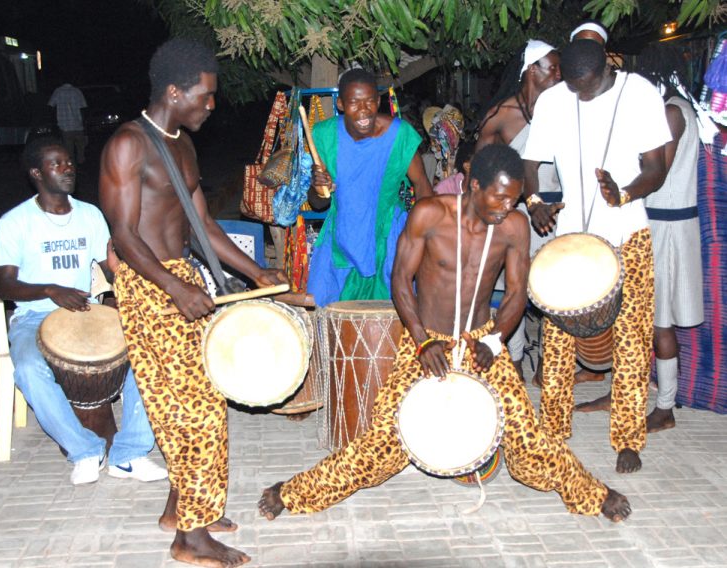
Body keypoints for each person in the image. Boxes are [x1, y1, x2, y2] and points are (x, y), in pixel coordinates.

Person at [258, 144, 631, 524]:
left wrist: (495, 339)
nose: (507, 207)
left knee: (529, 442)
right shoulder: (430, 215)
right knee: (380, 448)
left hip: (482, 339)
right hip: (427, 339)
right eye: (499, 197)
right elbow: (401, 280)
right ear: (472, 185)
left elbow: (517, 292)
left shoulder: (514, 226)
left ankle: (591, 494)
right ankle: (292, 492)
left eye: (514, 198)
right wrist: (421, 341)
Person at [99, 38, 286, 567]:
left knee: (191, 403)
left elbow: (202, 224)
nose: (212, 105)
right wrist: (175, 286)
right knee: (198, 410)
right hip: (148, 284)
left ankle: (182, 506)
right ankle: (191, 539)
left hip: (178, 276)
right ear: (175, 91)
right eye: (205, 96)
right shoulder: (128, 145)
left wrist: (256, 272)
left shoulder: (181, 143)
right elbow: (125, 235)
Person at [523, 40, 671, 473]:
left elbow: (656, 167)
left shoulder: (639, 92)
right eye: (572, 87)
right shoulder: (555, 98)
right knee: (557, 338)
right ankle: (552, 428)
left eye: (585, 88)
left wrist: (624, 192)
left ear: (606, 69)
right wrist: (534, 202)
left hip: (627, 233)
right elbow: (532, 162)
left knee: (632, 337)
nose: (579, 96)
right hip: (570, 238)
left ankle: (627, 438)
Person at [0, 137, 167, 486]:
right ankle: (85, 451)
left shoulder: (90, 215)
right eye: (58, 164)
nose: (68, 168)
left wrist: (138, 295)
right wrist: (50, 290)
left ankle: (129, 454)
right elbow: (5, 285)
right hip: (34, 318)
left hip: (88, 312)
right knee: (26, 368)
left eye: (69, 162)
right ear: (37, 173)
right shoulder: (15, 222)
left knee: (150, 352)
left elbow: (112, 268)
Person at [575, 44, 704, 433]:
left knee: (657, 322)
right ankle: (625, 391)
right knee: (638, 319)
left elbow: (654, 171)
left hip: (668, 226)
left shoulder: (671, 112)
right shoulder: (675, 108)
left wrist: (623, 186)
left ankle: (664, 407)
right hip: (660, 222)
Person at [306, 69, 433, 307]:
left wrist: (424, 236)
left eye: (370, 101)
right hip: (342, 239)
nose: (364, 110)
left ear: (378, 101)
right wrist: (319, 186)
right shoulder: (325, 136)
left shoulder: (399, 134)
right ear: (341, 104)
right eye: (355, 102)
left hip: (388, 240)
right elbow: (318, 202)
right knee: (325, 312)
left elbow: (423, 186)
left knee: (391, 317)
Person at [475, 39, 563, 380]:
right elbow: (480, 169)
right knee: (513, 287)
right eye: (551, 67)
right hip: (516, 212)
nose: (558, 74)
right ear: (531, 70)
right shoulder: (502, 116)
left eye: (558, 67)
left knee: (551, 289)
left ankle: (546, 361)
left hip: (557, 209)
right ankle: (512, 356)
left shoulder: (564, 109)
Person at [48, 83, 88, 164]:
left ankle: (72, 167)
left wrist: (55, 121)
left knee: (69, 152)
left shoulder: (58, 91)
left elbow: (50, 106)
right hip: (78, 126)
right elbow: (83, 109)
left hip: (65, 127)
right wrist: (84, 124)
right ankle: (81, 166)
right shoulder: (77, 91)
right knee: (81, 151)